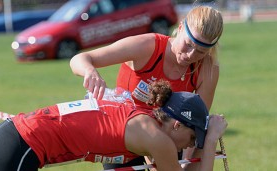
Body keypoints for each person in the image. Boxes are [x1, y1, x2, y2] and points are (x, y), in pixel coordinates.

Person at [69, 5, 224, 169]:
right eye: (188, 44)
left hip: (168, 138)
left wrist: (186, 164)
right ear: (180, 28)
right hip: (126, 133)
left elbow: (193, 126)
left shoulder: (208, 68)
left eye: (201, 51)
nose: (190, 55)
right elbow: (80, 59)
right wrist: (90, 71)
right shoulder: (147, 46)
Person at [0, 80, 227, 171]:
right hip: (17, 148)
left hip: (12, 141)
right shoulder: (156, 139)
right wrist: (212, 138)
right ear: (176, 125)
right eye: (193, 139)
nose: (190, 146)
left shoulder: (147, 122)